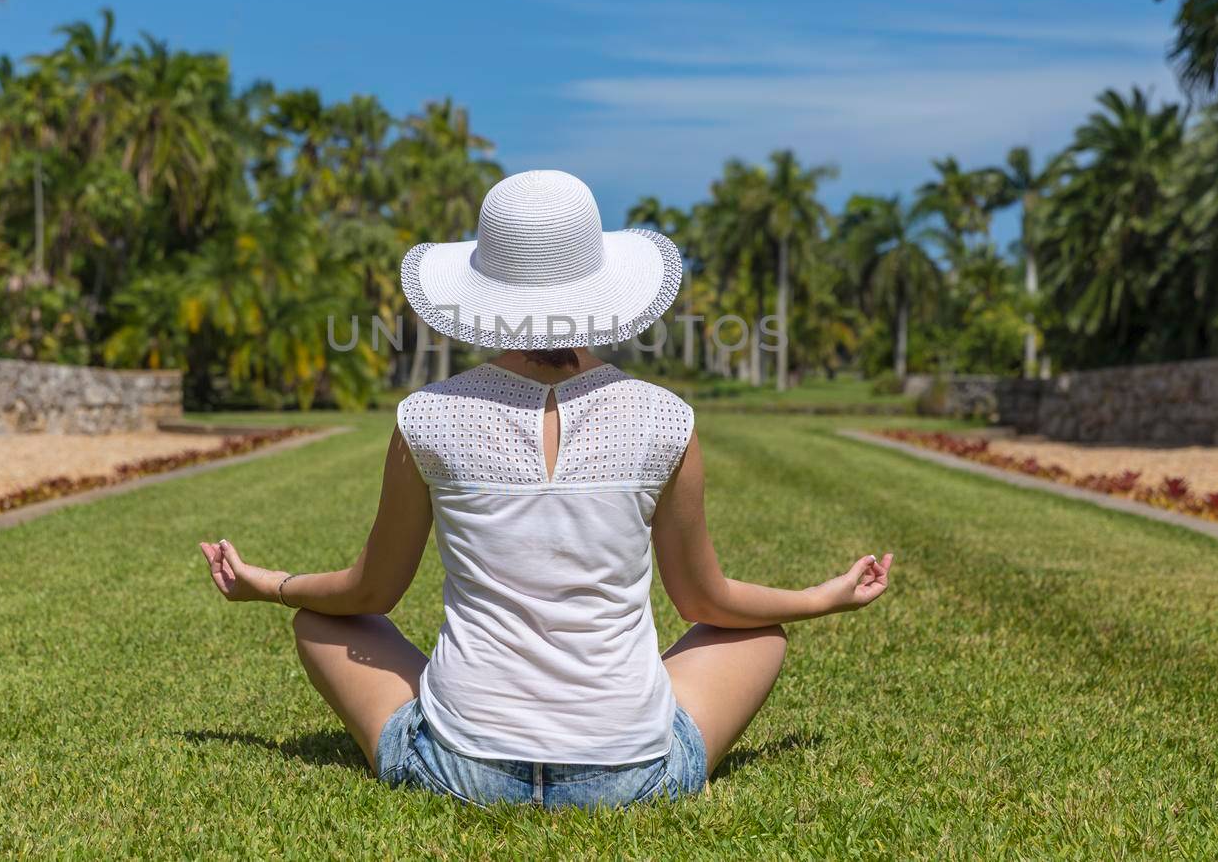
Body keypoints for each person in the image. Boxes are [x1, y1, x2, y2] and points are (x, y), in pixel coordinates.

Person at [199, 169, 893, 809]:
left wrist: (271, 583)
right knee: (761, 636)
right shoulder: (664, 416)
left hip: (460, 766)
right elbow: (704, 601)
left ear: (484, 286)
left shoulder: (428, 415)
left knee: (319, 621)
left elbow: (369, 594)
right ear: (599, 282)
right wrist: (820, 598)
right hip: (630, 775)